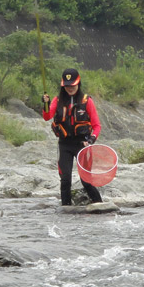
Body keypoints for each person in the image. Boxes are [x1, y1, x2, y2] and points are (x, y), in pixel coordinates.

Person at [42, 68, 103, 206]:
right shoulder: (57, 100)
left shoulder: (87, 101)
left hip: (83, 145)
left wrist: (91, 139)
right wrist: (45, 103)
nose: (70, 88)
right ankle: (66, 209)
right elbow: (47, 117)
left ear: (78, 83)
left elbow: (97, 125)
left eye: (73, 85)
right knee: (65, 179)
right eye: (67, 85)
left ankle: (100, 204)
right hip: (64, 145)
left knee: (86, 180)